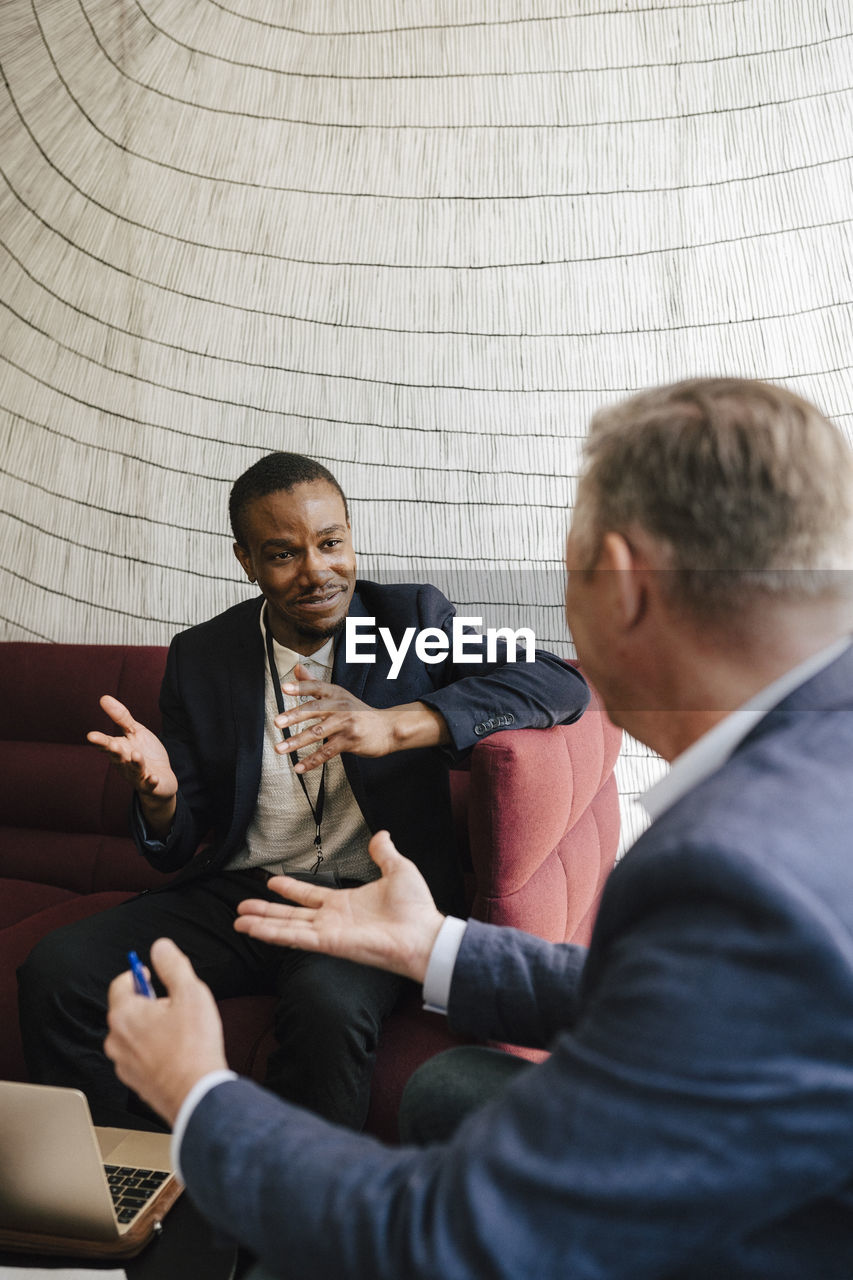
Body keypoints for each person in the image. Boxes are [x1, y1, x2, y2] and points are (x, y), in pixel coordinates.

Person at [105, 379, 853, 1278]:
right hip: (254, 895)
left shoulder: (725, 865)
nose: (315, 567)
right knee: (453, 1091)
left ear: (616, 580)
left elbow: (453, 1235)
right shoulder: (811, 772)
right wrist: (440, 949)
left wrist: (198, 1098)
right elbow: (698, 1000)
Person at [17, 452, 588, 1132]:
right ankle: (132, 1195)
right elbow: (174, 847)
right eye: (284, 554)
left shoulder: (408, 623)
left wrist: (397, 725)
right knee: (59, 970)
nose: (317, 571)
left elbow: (558, 682)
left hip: (368, 902)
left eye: (331, 543)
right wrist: (161, 793)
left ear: (350, 536)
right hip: (243, 891)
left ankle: (298, 1232)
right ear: (246, 561)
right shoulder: (204, 656)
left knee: (328, 1010)